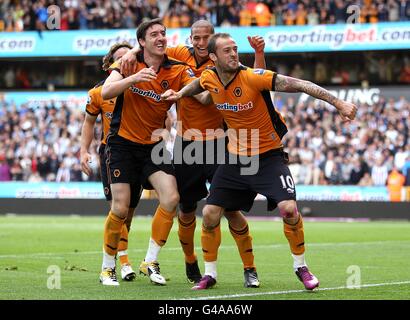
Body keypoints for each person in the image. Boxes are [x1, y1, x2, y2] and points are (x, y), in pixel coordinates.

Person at [162, 33, 357, 290]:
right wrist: (180, 94)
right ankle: (210, 274)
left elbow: (300, 84)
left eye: (235, 49)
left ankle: (301, 267)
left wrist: (339, 103)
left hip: (268, 157)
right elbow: (198, 85)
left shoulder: (253, 76)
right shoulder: (210, 76)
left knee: (288, 209)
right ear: (213, 57)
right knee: (209, 214)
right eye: (227, 51)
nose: (234, 54)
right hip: (235, 159)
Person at [121, 20, 266, 287]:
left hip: (219, 143)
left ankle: (250, 267)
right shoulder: (178, 54)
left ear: (213, 40)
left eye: (205, 38)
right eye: (196, 38)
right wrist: (131, 52)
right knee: (185, 210)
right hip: (186, 144)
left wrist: (258, 54)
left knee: (231, 209)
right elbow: (150, 49)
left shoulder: (225, 61)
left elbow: (259, 79)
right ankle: (190, 261)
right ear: (190, 38)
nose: (200, 43)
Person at [99, 19, 208, 286]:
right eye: (154, 34)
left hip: (154, 147)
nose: (161, 38)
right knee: (121, 208)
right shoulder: (127, 63)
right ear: (142, 42)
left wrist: (181, 93)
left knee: (171, 198)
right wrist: (134, 77)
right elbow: (106, 91)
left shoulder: (177, 69)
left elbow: (202, 94)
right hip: (122, 144)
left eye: (163, 33)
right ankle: (107, 267)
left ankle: (150, 260)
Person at [80, 42, 142, 284]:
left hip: (139, 151)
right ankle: (122, 263)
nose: (127, 61)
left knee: (129, 214)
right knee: (119, 208)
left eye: (131, 56)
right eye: (121, 58)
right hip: (112, 152)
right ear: (111, 66)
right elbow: (88, 122)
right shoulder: (98, 93)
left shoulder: (140, 86)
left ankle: (120, 259)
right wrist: (83, 150)